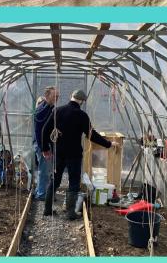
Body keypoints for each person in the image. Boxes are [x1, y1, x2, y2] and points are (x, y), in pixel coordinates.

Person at [41, 90, 119, 219]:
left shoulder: (57, 111)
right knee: (73, 182)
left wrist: (45, 149)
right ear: (82, 101)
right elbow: (91, 135)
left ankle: (47, 210)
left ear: (71, 97)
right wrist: (109, 144)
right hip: (74, 155)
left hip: (59, 153)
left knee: (55, 180)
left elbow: (45, 130)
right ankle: (70, 213)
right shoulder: (82, 115)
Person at [33, 86, 58, 200]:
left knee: (44, 169)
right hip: (42, 145)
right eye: (54, 96)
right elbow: (40, 131)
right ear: (47, 96)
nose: (57, 98)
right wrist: (44, 148)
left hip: (44, 144)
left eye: (58, 96)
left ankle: (40, 190)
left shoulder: (48, 107)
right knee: (43, 170)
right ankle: (41, 194)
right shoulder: (42, 110)